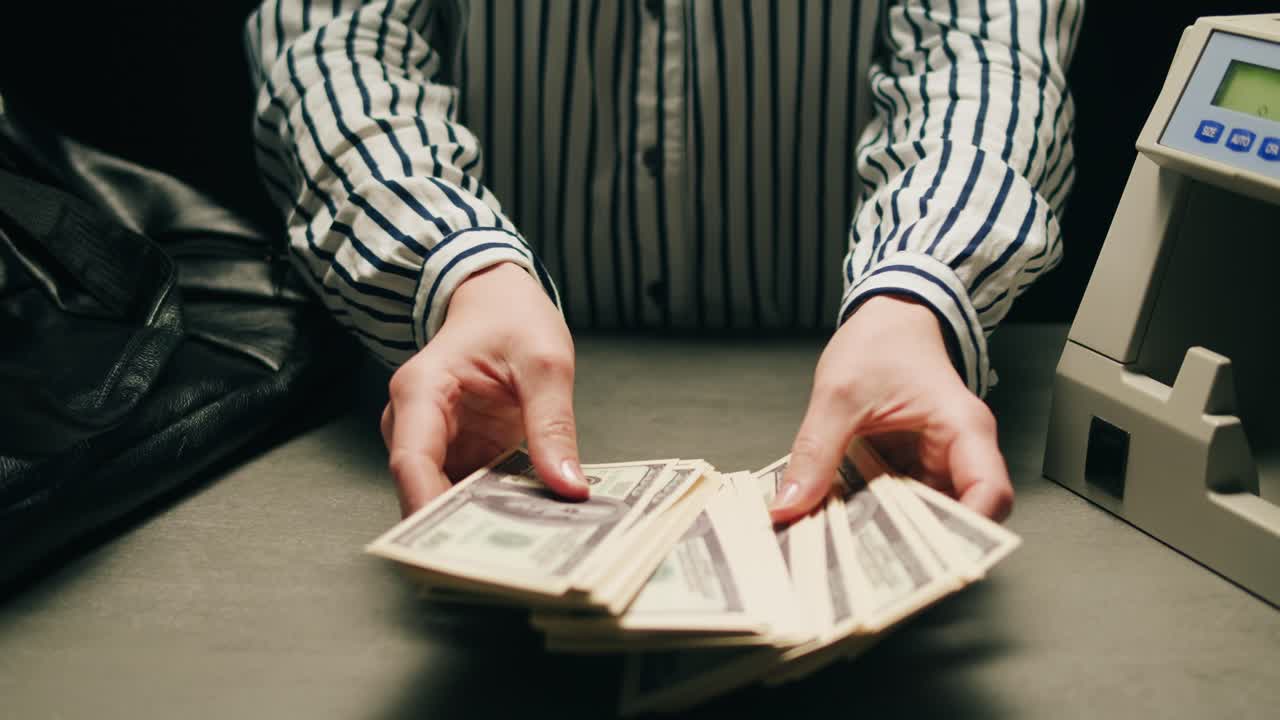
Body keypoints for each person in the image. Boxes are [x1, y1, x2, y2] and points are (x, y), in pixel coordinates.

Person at [245, 0, 1080, 523]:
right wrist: (458, 266)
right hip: (486, 372)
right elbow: (336, 47)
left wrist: (916, 291)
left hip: (857, 352)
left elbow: (987, 58)